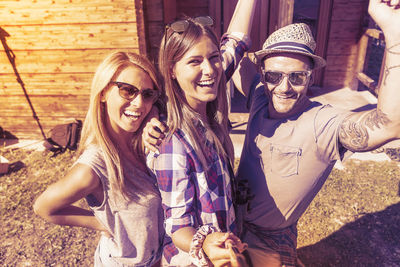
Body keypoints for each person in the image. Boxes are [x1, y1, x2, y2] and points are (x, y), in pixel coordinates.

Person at [230, 0, 400, 266]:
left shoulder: (323, 124)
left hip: (271, 243)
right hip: (232, 226)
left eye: (297, 77)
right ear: (262, 74)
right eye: (274, 76)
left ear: (310, 78)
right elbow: (232, 53)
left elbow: (391, 123)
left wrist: (394, 30)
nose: (284, 87)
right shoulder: (260, 98)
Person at [144, 0, 258, 266]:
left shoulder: (206, 100)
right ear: (172, 71)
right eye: (194, 61)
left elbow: (236, 43)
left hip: (224, 250)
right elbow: (178, 227)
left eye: (213, 57)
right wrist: (206, 242)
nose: (210, 70)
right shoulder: (172, 140)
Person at [33, 51, 165, 267]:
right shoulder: (94, 166)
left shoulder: (142, 138)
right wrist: (100, 223)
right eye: (128, 91)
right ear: (103, 92)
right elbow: (43, 207)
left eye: (147, 94)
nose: (139, 103)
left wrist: (154, 114)